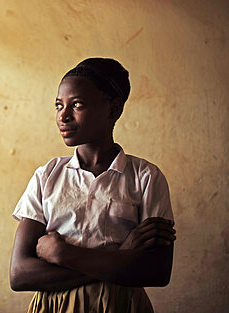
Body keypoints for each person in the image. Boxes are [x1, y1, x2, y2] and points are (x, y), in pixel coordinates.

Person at [9, 58, 176, 313]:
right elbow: (20, 274)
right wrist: (122, 255)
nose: (63, 116)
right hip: (53, 307)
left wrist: (63, 255)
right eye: (58, 105)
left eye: (76, 105)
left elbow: (157, 272)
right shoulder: (47, 176)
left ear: (114, 109)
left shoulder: (146, 178)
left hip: (120, 306)